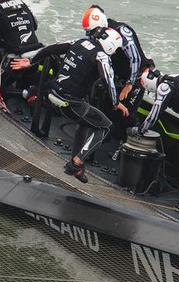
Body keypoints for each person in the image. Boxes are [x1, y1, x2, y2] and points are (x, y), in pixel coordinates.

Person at [21, 27, 128, 183]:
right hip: (70, 103)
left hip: (53, 94)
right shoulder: (101, 56)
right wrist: (115, 103)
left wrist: (31, 61)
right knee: (105, 127)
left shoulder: (80, 41)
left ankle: (77, 167)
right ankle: (76, 163)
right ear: (111, 45)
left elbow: (51, 48)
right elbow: (108, 81)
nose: (115, 52)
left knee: (84, 123)